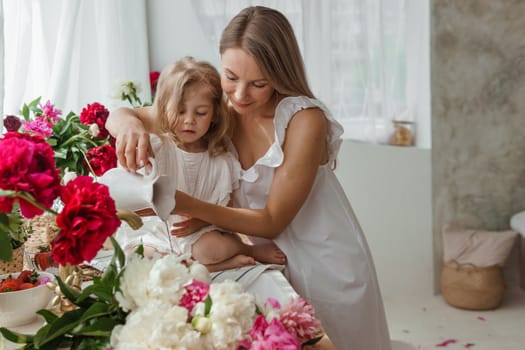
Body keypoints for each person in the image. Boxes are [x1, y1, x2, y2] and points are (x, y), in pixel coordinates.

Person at [107, 6, 391, 350]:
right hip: (260, 256)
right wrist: (128, 125)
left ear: (280, 74)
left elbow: (272, 221)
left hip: (325, 258)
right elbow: (126, 115)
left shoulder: (304, 120)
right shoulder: (216, 111)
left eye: (258, 83)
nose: (240, 95)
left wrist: (185, 204)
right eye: (230, 77)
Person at [114, 56, 286, 272]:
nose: (189, 120)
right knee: (139, 258)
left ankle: (246, 250)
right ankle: (211, 267)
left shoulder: (221, 160)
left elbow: (228, 208)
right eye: (180, 110)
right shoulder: (156, 148)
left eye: (200, 112)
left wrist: (203, 221)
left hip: (197, 235)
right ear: (164, 109)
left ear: (214, 115)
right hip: (155, 234)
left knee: (213, 249)